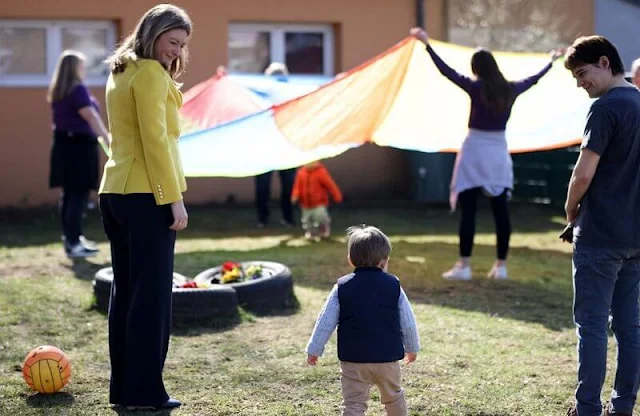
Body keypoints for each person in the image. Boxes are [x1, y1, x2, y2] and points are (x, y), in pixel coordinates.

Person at [410, 27, 564, 281]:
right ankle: (501, 266)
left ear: (477, 68)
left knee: (468, 210)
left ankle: (464, 266)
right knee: (500, 210)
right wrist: (551, 61)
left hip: (474, 151)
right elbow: (534, 78)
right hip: (497, 153)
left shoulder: (475, 87)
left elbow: (446, 71)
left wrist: (427, 45)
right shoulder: (510, 89)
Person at [98, 4, 191, 410]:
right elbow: (155, 142)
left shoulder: (121, 71)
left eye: (182, 45)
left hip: (115, 192)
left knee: (126, 293)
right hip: (146, 195)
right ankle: (146, 393)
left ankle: (124, 391)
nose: (176, 51)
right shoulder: (151, 74)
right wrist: (173, 199)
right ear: (153, 33)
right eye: (172, 42)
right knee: (151, 298)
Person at [562, 35, 640, 416]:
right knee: (630, 329)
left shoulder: (605, 108)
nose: (581, 83)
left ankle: (587, 408)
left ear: (605, 62)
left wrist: (569, 209)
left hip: (600, 237)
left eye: (582, 73)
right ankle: (622, 406)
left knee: (591, 327)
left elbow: (583, 173)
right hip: (636, 238)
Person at [306, 225, 420, 416]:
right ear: (384, 262)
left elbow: (325, 321)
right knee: (394, 397)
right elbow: (407, 322)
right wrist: (412, 347)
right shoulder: (394, 286)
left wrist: (314, 349)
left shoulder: (342, 287)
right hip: (387, 358)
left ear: (350, 260)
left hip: (353, 359)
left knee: (353, 404)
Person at [48, 50, 110, 258]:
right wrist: (107, 137)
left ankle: (72, 238)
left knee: (69, 195)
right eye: (82, 65)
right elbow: (90, 115)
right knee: (78, 195)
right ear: (75, 68)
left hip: (64, 145)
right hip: (79, 147)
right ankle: (74, 243)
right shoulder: (78, 90)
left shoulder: (59, 91)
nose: (84, 69)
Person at [254, 62, 296, 228]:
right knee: (263, 185)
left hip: (285, 146)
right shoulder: (260, 97)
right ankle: (263, 218)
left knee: (289, 185)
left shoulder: (291, 96)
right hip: (265, 147)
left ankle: (288, 217)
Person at [291, 160, 343, 241]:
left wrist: (337, 196)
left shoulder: (321, 172)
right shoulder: (301, 173)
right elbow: (297, 186)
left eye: (313, 162)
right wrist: (295, 195)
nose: (311, 164)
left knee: (320, 217)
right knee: (307, 220)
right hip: (305, 204)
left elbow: (330, 185)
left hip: (319, 203)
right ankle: (311, 232)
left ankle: (323, 229)